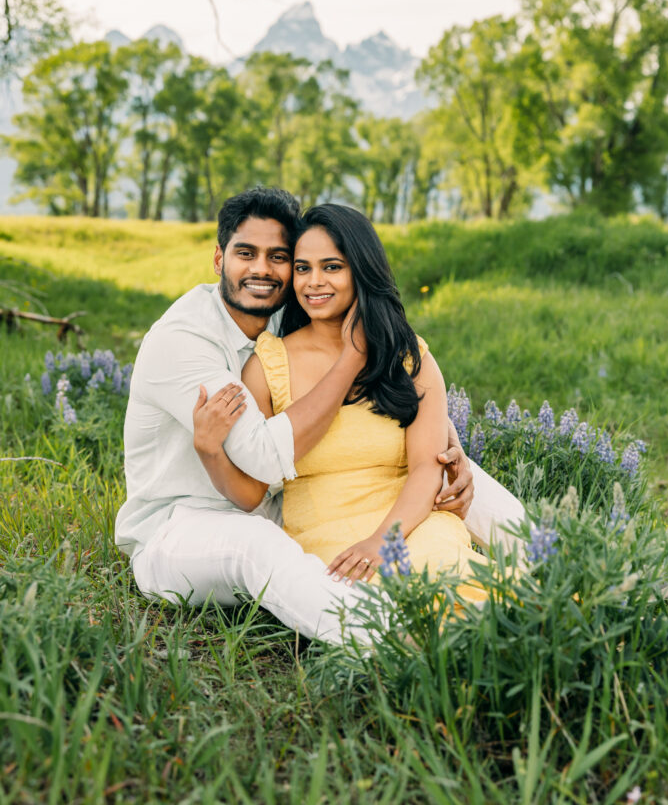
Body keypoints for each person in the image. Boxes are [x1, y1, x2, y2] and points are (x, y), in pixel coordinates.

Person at [115, 188, 486, 644]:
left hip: (273, 507)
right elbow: (264, 459)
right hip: (182, 525)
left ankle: (553, 570)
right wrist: (353, 355)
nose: (262, 270)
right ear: (218, 259)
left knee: (448, 474)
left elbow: (402, 397)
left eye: (279, 258)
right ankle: (393, 639)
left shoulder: (281, 314)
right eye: (245, 254)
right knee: (260, 549)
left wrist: (450, 442)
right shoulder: (183, 340)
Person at [193, 202, 525, 600]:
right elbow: (252, 493)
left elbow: (425, 469)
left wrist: (382, 543)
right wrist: (209, 449)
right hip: (323, 541)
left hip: (408, 527)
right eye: (303, 268)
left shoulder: (407, 356)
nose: (314, 282)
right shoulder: (268, 365)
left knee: (458, 586)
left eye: (332, 267)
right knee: (391, 609)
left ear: (361, 270)